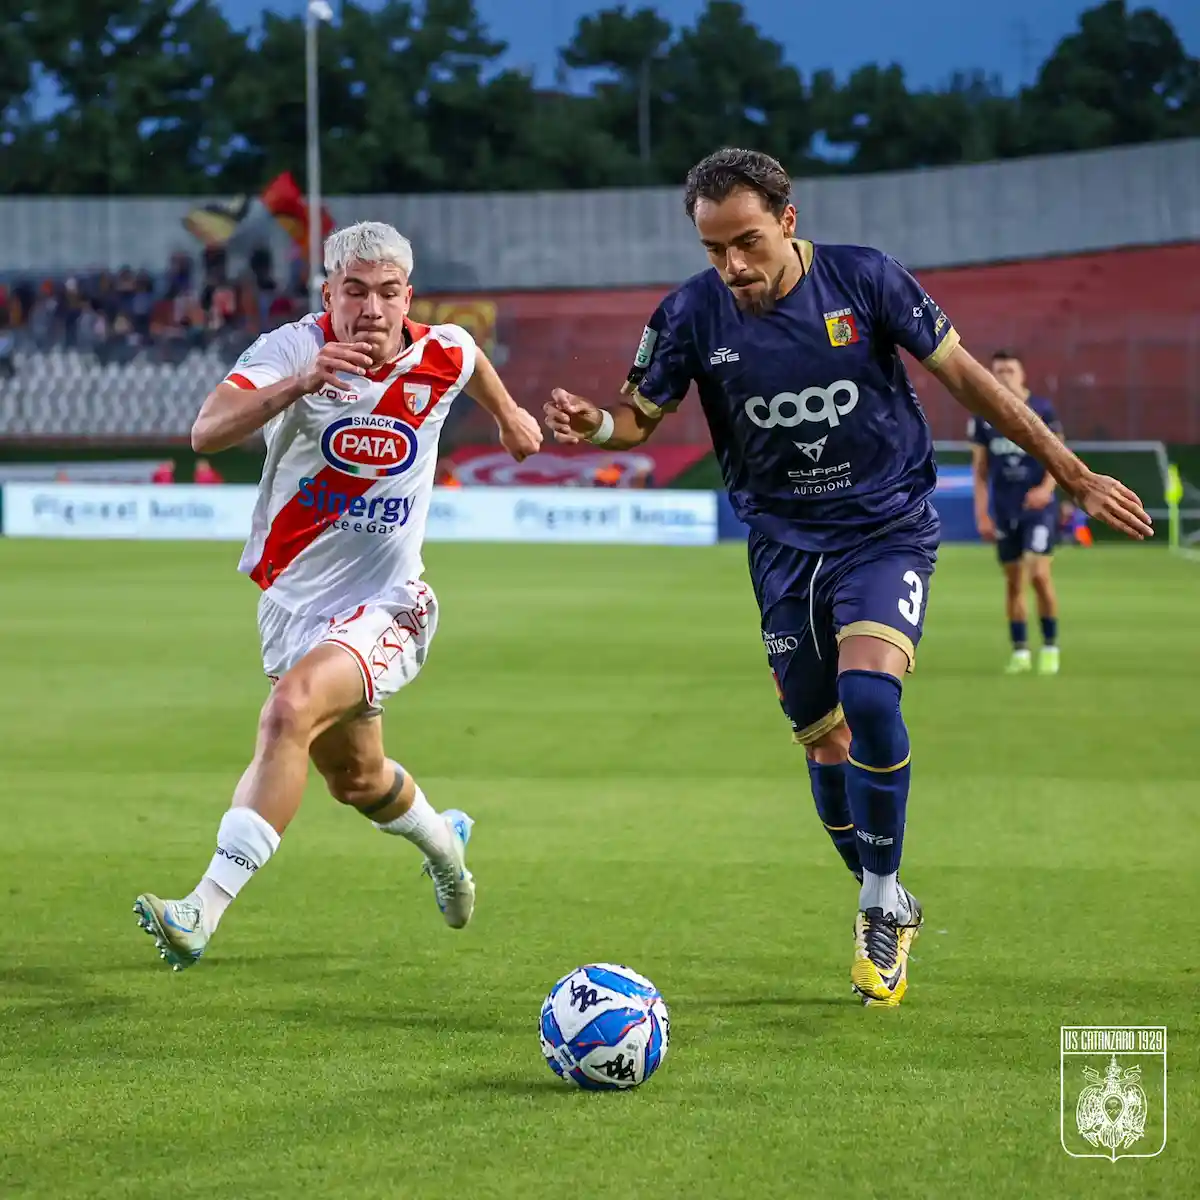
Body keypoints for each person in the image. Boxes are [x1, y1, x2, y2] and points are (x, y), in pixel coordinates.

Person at [544, 148, 1152, 1008]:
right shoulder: (688, 314)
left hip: (885, 528)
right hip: (782, 548)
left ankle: (876, 902)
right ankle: (887, 894)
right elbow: (636, 417)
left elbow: (972, 383)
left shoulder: (865, 280)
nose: (733, 266)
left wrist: (1075, 472)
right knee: (823, 743)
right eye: (714, 249)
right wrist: (595, 426)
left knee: (870, 695)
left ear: (788, 220)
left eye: (747, 242)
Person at [134, 221, 542, 971]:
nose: (372, 309)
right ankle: (447, 848)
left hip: (389, 603)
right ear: (329, 294)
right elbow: (206, 432)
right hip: (293, 608)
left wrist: (510, 415)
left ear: (408, 297)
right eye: (354, 291)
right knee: (356, 779)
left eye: (388, 293)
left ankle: (202, 909)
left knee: (287, 712)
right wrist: (299, 384)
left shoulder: (442, 351)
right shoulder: (292, 350)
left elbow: (471, 358)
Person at [970, 350, 1065, 675]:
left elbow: (1060, 457)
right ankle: (1021, 650)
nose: (1004, 376)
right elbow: (980, 471)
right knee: (1013, 582)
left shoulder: (1042, 410)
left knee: (1038, 574)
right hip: (1004, 508)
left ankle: (1050, 645)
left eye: (1010, 370)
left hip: (1037, 509)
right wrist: (982, 514)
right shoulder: (984, 415)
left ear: (1022, 374)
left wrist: (1046, 489)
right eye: (998, 371)